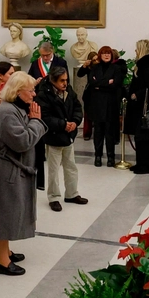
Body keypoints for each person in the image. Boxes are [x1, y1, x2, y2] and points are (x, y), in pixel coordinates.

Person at [0, 71, 46, 276]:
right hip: (6, 171)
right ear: (17, 91)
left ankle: (4, 250)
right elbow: (22, 142)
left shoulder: (14, 108)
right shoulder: (7, 112)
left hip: (11, 168)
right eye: (31, 90)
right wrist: (36, 121)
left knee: (8, 211)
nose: (34, 94)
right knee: (5, 213)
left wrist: (33, 120)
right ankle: (1, 260)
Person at [36, 67, 87, 211]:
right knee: (53, 170)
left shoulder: (69, 90)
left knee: (71, 167)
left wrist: (75, 122)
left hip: (68, 135)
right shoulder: (43, 94)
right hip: (54, 136)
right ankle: (54, 197)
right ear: (53, 80)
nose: (65, 83)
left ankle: (71, 194)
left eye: (66, 80)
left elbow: (77, 107)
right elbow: (45, 117)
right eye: (62, 81)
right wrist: (63, 124)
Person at [27, 41, 67, 189]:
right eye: (42, 55)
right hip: (39, 100)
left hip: (55, 102)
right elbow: (29, 80)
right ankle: (40, 180)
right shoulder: (35, 63)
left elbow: (65, 81)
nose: (44, 58)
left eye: (47, 55)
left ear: (52, 52)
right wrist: (34, 82)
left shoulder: (60, 61)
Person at [80, 47, 124, 166]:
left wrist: (100, 85)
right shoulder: (95, 68)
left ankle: (111, 157)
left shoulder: (116, 68)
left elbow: (116, 84)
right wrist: (107, 83)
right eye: (104, 53)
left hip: (111, 105)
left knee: (110, 133)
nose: (106, 55)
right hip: (97, 104)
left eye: (108, 53)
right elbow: (92, 82)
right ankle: (98, 156)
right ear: (100, 55)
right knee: (98, 132)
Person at [124, 40, 149, 174]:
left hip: (145, 106)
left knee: (145, 136)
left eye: (137, 49)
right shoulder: (142, 65)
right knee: (139, 136)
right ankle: (140, 163)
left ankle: (147, 165)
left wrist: (136, 95)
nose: (135, 51)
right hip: (138, 106)